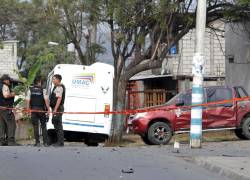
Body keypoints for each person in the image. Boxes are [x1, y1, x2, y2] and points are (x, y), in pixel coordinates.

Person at [26, 76, 50, 147]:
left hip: (33, 110)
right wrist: (48, 109)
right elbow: (46, 100)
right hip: (41, 110)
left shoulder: (30, 90)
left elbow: (27, 100)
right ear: (39, 82)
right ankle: (45, 143)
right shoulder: (43, 89)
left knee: (35, 126)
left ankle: (37, 142)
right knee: (43, 126)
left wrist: (28, 110)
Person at [0, 74, 16, 146]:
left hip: (1, 108)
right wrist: (12, 94)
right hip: (6, 108)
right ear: (5, 80)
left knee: (2, 125)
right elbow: (6, 95)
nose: (10, 81)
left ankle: (2, 141)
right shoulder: (5, 86)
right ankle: (11, 141)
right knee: (11, 124)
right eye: (9, 80)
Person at [49, 74, 65, 147]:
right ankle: (59, 141)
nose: (53, 80)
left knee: (58, 125)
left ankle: (60, 142)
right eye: (53, 79)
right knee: (55, 123)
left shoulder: (59, 87)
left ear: (58, 80)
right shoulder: (56, 87)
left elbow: (59, 98)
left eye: (54, 79)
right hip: (56, 108)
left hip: (57, 108)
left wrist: (55, 109)